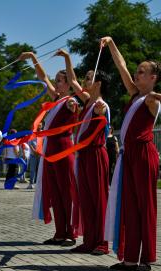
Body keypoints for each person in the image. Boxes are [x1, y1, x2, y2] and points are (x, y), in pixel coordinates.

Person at [102, 36, 161, 271]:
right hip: (128, 156)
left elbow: (154, 100)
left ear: (153, 78)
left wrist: (154, 97)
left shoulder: (152, 101)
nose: (136, 74)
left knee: (145, 206)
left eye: (142, 71)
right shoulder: (134, 93)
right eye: (137, 71)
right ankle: (129, 258)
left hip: (144, 155)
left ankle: (146, 258)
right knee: (129, 206)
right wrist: (110, 43)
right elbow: (121, 66)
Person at [18, 51, 80, 247]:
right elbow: (42, 78)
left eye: (61, 81)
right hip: (50, 150)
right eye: (57, 81)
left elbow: (73, 79)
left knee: (66, 192)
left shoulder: (71, 102)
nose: (57, 83)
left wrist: (67, 58)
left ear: (68, 83)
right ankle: (60, 232)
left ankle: (71, 233)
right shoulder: (55, 99)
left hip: (63, 149)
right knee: (55, 192)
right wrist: (33, 58)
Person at [57, 49, 111, 255]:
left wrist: (100, 112)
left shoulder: (101, 104)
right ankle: (89, 240)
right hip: (84, 156)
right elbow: (72, 79)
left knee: (99, 199)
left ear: (98, 83)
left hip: (97, 154)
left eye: (89, 78)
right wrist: (67, 58)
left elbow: (101, 113)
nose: (85, 80)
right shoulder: (87, 100)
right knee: (86, 199)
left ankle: (102, 243)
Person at [27, 123, 43, 190]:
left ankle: (39, 183)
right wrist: (34, 151)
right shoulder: (32, 133)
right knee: (32, 170)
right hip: (33, 154)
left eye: (40, 126)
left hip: (41, 154)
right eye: (38, 126)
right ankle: (31, 183)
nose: (39, 127)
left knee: (40, 170)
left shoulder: (43, 132)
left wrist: (40, 152)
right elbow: (30, 143)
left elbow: (44, 142)